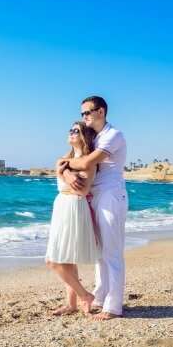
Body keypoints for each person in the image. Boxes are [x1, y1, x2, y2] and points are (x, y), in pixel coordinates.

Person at [59, 96, 128, 321]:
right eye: (82, 114)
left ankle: (114, 306)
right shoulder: (94, 137)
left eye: (87, 112)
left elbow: (88, 162)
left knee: (112, 252)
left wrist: (64, 167)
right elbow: (74, 160)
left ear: (101, 112)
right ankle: (99, 297)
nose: (84, 117)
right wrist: (66, 171)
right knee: (100, 253)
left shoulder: (113, 135)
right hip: (93, 196)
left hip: (111, 195)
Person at [45, 121, 101, 316]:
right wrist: (68, 174)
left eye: (76, 131)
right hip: (61, 206)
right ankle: (71, 303)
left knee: (53, 261)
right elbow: (63, 173)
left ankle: (85, 295)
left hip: (74, 206)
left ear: (84, 136)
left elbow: (83, 189)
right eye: (70, 130)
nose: (71, 133)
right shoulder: (62, 159)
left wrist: (65, 174)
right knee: (65, 259)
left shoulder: (89, 161)